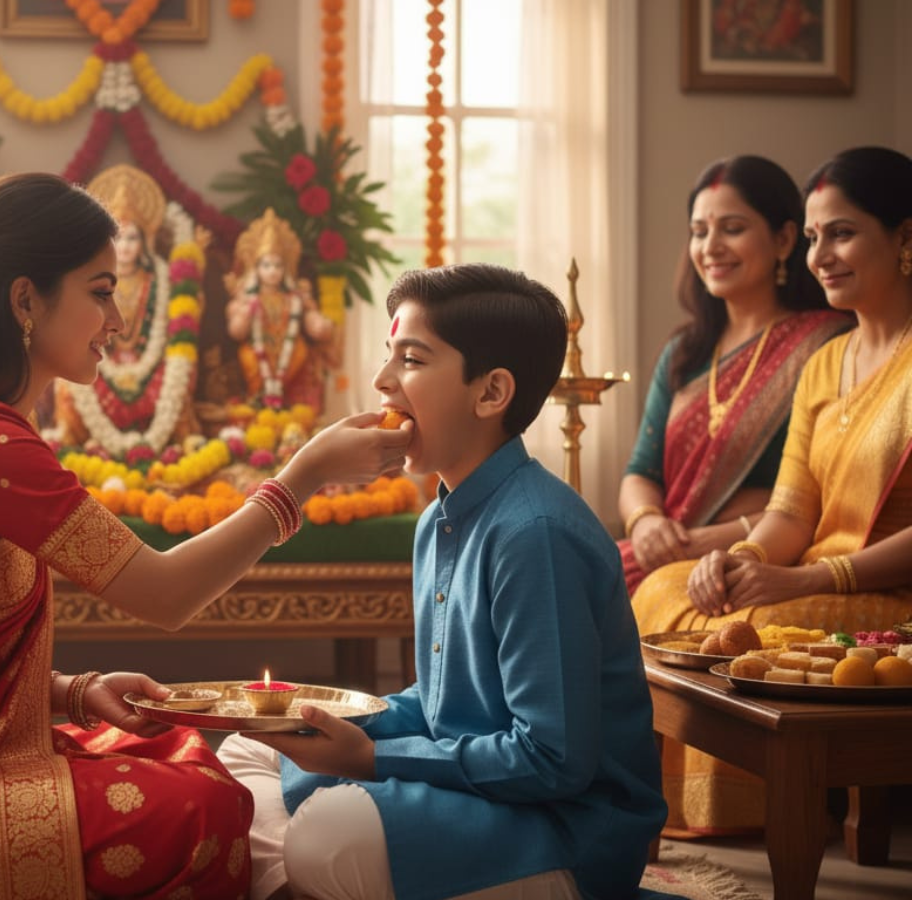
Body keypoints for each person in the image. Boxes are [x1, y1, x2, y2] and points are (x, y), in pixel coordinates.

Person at [0, 173, 412, 899]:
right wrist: (301, 479)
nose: (118, 321)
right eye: (100, 292)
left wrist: (72, 692)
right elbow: (165, 594)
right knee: (204, 807)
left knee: (183, 754)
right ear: (25, 300)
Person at [218, 264, 666, 900]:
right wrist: (334, 720)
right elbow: (440, 705)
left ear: (490, 393)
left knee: (327, 835)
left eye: (412, 359)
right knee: (251, 749)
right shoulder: (438, 520)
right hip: (483, 794)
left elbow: (552, 759)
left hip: (564, 831)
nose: (382, 381)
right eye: (388, 356)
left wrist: (367, 760)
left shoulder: (533, 531)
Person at [634, 146, 912, 835]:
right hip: (809, 575)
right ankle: (678, 807)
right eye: (815, 237)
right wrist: (745, 562)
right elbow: (792, 508)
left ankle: (755, 812)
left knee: (751, 627)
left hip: (887, 593)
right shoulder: (825, 362)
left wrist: (804, 576)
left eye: (841, 233)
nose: (821, 256)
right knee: (668, 590)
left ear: (906, 239)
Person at [619, 155, 847, 595]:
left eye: (733, 228)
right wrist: (646, 522)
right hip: (661, 551)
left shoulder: (827, 345)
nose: (711, 247)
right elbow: (640, 471)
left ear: (783, 239)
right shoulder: (685, 351)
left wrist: (708, 541)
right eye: (699, 231)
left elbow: (825, 499)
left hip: (757, 559)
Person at [50, 163, 203, 456]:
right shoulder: (89, 280)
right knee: (67, 383)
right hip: (101, 362)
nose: (126, 247)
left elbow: (177, 329)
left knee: (181, 370)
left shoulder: (160, 276)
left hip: (153, 365)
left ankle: (177, 439)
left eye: (132, 237)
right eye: (118, 238)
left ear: (145, 240)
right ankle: (73, 440)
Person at [226, 208, 337, 412]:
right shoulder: (246, 299)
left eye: (278, 266)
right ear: (256, 268)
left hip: (289, 353)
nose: (272, 271)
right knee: (248, 357)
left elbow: (316, 326)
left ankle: (289, 405)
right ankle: (258, 401)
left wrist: (322, 324)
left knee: (301, 351)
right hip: (258, 353)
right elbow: (236, 332)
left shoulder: (294, 298)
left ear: (285, 269)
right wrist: (246, 310)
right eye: (266, 265)